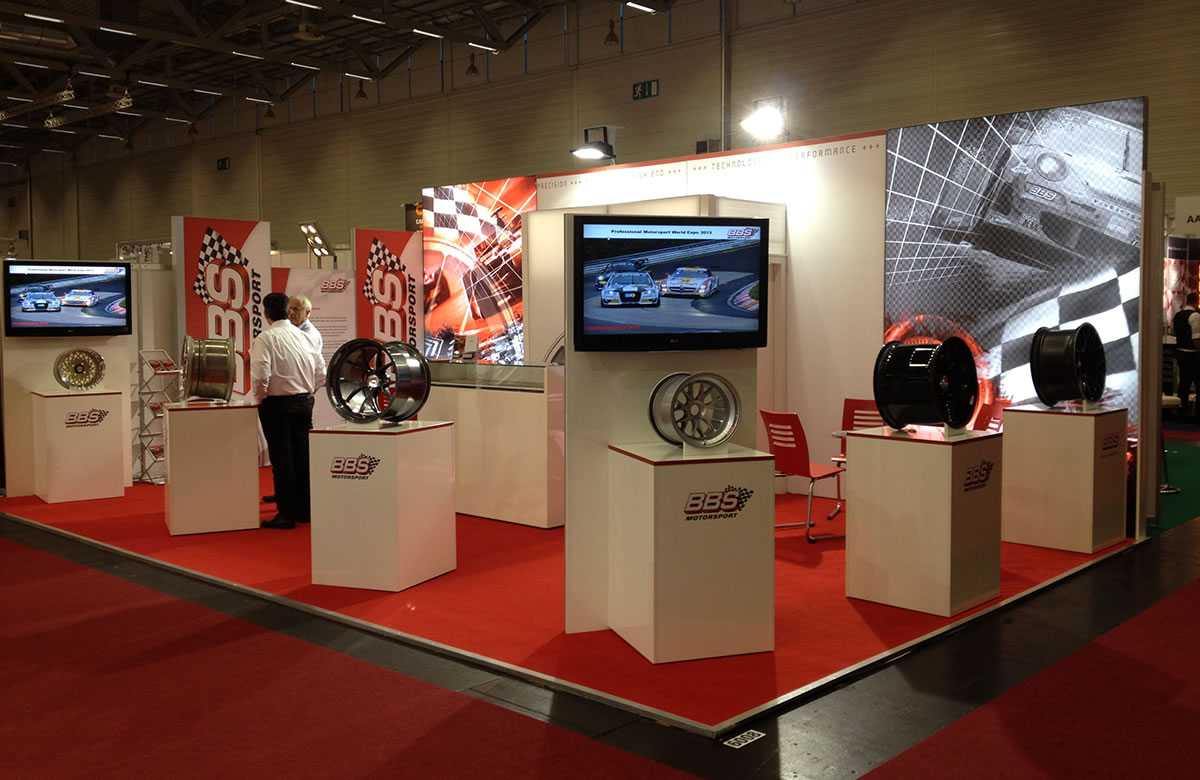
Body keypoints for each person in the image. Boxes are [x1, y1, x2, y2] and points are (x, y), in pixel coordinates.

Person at [251, 292, 326, 529]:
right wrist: (308, 393)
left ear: (266, 314)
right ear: (287, 311)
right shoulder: (304, 337)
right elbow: (321, 372)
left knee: (282, 458)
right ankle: (305, 509)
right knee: (302, 456)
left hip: (277, 405)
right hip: (304, 402)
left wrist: (260, 398)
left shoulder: (265, 338)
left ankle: (286, 513)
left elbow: (261, 374)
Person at [1175, 291, 1200, 422]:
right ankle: (1197, 413)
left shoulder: (1177, 315)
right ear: (1197, 301)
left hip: (1180, 352)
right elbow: (1196, 338)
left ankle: (1182, 410)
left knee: (1184, 383)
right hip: (1192, 354)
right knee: (1198, 383)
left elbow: (1173, 332)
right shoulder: (1195, 316)